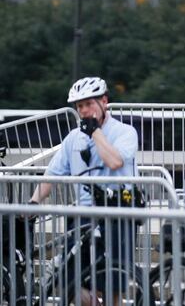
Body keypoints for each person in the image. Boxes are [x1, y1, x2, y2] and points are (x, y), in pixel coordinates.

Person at [30, 76, 140, 305]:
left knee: (111, 289)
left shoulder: (125, 132)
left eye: (89, 104)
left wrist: (95, 132)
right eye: (79, 106)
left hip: (117, 215)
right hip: (83, 217)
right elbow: (52, 175)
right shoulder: (73, 139)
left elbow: (115, 162)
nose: (84, 111)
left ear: (104, 102)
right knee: (71, 285)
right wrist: (32, 203)